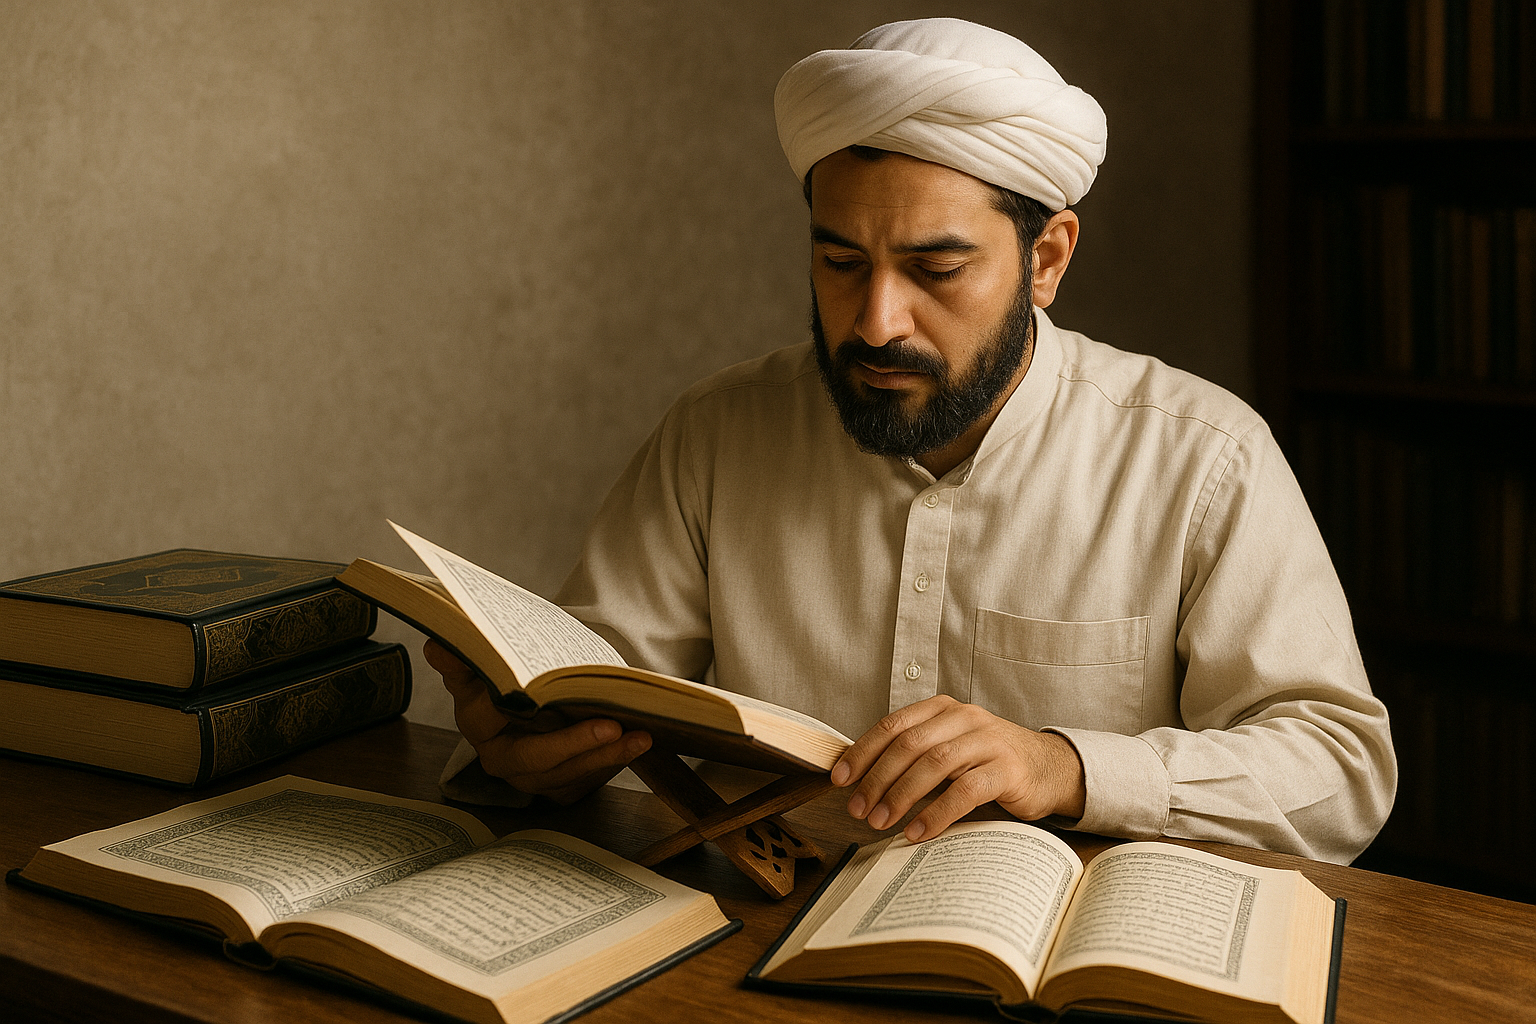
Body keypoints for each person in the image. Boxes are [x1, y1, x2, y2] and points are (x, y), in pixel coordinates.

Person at [433, 17, 1396, 865]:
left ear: (1047, 258)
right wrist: (532, 750)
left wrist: (1063, 765)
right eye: (840, 261)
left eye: (935, 268)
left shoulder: (1201, 455)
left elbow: (1340, 774)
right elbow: (598, 694)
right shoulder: (717, 434)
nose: (877, 320)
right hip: (754, 951)